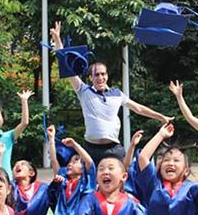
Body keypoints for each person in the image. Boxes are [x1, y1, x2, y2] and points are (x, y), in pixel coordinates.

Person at [49, 21, 172, 165]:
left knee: (121, 180)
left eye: (103, 74)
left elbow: (138, 108)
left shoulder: (117, 94)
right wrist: (57, 40)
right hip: (91, 149)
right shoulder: (84, 90)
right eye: (96, 75)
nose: (100, 78)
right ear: (90, 78)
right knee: (89, 186)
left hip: (113, 148)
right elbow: (66, 66)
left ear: (107, 76)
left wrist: (161, 117)